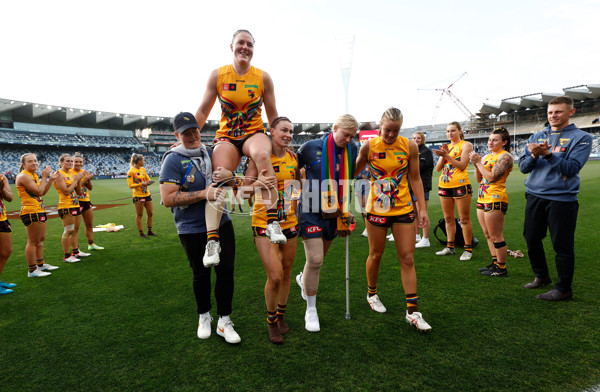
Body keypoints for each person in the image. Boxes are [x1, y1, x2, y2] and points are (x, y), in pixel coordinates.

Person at [195, 29, 284, 268]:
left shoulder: (263, 78)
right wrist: (190, 137)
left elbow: (273, 114)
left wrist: (280, 142)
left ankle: (272, 221)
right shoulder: (218, 75)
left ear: (254, 49)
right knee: (219, 174)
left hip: (254, 133)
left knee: (263, 155)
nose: (245, 48)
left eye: (249, 44)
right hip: (227, 136)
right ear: (231, 46)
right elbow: (203, 111)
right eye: (240, 43)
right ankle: (212, 241)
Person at [160, 112, 241, 344]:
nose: (192, 135)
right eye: (186, 132)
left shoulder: (211, 153)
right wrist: (204, 193)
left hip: (221, 223)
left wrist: (231, 176)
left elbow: (232, 183)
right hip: (191, 227)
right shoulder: (173, 159)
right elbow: (167, 198)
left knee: (226, 271)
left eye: (195, 130)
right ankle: (204, 316)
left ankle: (224, 321)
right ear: (177, 135)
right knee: (200, 274)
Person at [355, 107, 432, 332]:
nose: (391, 135)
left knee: (407, 258)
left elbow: (415, 178)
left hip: (403, 208)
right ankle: (372, 293)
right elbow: (354, 171)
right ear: (380, 126)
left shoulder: (409, 146)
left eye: (396, 131)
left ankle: (413, 311)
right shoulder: (369, 146)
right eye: (388, 130)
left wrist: (422, 208)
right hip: (377, 209)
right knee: (376, 254)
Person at [518, 96, 592, 301]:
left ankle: (564, 289)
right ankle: (541, 276)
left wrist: (549, 155)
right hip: (534, 195)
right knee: (531, 237)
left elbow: (572, 168)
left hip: (562, 198)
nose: (553, 116)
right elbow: (523, 168)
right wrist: (534, 156)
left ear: (571, 112)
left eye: (558, 112)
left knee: (562, 244)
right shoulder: (537, 136)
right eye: (550, 112)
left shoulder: (582, 137)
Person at [295, 114, 359, 332]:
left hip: (335, 212)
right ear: (335, 128)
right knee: (315, 259)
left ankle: (304, 278)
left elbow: (348, 177)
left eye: (352, 136)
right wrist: (297, 192)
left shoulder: (353, 149)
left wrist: (346, 209)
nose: (348, 140)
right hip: (310, 209)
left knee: (317, 260)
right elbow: (294, 172)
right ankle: (311, 310)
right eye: (345, 135)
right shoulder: (310, 147)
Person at [245, 116, 299, 344]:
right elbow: (245, 192)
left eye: (291, 131)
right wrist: (259, 187)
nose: (288, 135)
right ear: (272, 131)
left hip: (289, 222)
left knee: (286, 271)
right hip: (263, 223)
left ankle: (281, 315)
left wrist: (292, 205)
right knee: (275, 276)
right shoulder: (258, 158)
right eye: (284, 130)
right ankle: (271, 322)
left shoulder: (293, 159)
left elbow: (293, 188)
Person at [469, 127, 513, 277]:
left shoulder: (505, 156)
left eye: (495, 140)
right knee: (488, 234)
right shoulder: (487, 157)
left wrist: (478, 163)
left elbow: (492, 178)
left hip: (495, 198)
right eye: (489, 140)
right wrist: (476, 164)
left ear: (504, 142)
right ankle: (495, 264)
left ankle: (502, 268)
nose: (490, 142)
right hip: (482, 197)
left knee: (496, 235)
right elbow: (479, 179)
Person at [432, 121, 474, 260]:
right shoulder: (447, 147)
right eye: (448, 131)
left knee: (464, 219)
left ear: (460, 131)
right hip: (444, 185)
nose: (450, 133)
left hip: (460, 185)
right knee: (448, 218)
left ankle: (468, 249)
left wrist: (447, 156)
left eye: (453, 130)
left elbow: (462, 166)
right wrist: (442, 155)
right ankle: (450, 247)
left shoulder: (466, 145)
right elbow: (438, 168)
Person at [15, 153, 60, 277]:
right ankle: (32, 270)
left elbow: (41, 193)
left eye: (35, 160)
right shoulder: (24, 176)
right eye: (30, 161)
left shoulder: (32, 175)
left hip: (38, 209)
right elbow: (39, 191)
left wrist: (50, 179)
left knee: (40, 240)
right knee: (33, 242)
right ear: (23, 164)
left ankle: (41, 265)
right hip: (31, 211)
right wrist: (45, 176)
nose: (34, 163)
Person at [54, 154, 89, 263]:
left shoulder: (71, 174)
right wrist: (76, 180)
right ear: (61, 162)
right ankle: (67, 256)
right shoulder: (59, 174)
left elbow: (78, 192)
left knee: (75, 230)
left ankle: (76, 252)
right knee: (68, 230)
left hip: (75, 204)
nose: (70, 163)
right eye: (67, 161)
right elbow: (66, 191)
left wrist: (78, 180)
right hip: (66, 206)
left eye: (71, 161)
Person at [71, 153, 103, 251]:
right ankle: (76, 248)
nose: (78, 164)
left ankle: (91, 244)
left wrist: (89, 180)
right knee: (75, 228)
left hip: (86, 200)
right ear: (72, 162)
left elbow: (90, 188)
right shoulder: (69, 173)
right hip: (75, 202)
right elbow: (75, 187)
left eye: (80, 162)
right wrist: (85, 179)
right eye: (76, 161)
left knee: (89, 225)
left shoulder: (85, 172)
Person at [413, 131, 434, 248]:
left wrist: (413, 156)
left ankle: (426, 239)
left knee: (422, 212)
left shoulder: (426, 152)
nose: (416, 140)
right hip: (413, 186)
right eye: (414, 138)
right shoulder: (414, 151)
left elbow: (419, 168)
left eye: (418, 138)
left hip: (423, 185)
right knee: (415, 212)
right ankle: (417, 235)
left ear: (422, 139)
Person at [127, 153, 156, 238]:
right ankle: (141, 233)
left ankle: (149, 231)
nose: (144, 161)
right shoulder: (131, 171)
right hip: (138, 196)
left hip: (147, 194)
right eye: (143, 160)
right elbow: (130, 185)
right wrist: (141, 184)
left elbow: (148, 179)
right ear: (138, 161)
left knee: (150, 213)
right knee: (139, 215)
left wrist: (149, 182)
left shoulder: (143, 169)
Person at [0, 172, 15, 294]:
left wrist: (2, 189)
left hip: (2, 219)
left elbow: (10, 198)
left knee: (6, 251)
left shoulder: (2, 177)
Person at [355, 166, 370, 238]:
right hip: (358, 183)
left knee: (365, 205)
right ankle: (367, 227)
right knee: (361, 208)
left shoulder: (370, 157)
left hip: (368, 183)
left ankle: (368, 228)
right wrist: (360, 176)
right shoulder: (357, 156)